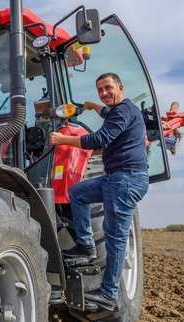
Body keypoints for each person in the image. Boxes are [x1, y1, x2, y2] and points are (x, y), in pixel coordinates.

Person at [49, 72, 149, 311]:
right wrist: (94, 106)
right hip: (114, 178)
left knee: (114, 238)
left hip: (126, 179)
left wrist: (63, 139)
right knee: (78, 193)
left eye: (108, 88)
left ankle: (108, 294)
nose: (104, 94)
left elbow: (101, 138)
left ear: (120, 87)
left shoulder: (124, 110)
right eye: (100, 91)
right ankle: (86, 245)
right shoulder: (116, 111)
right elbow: (108, 114)